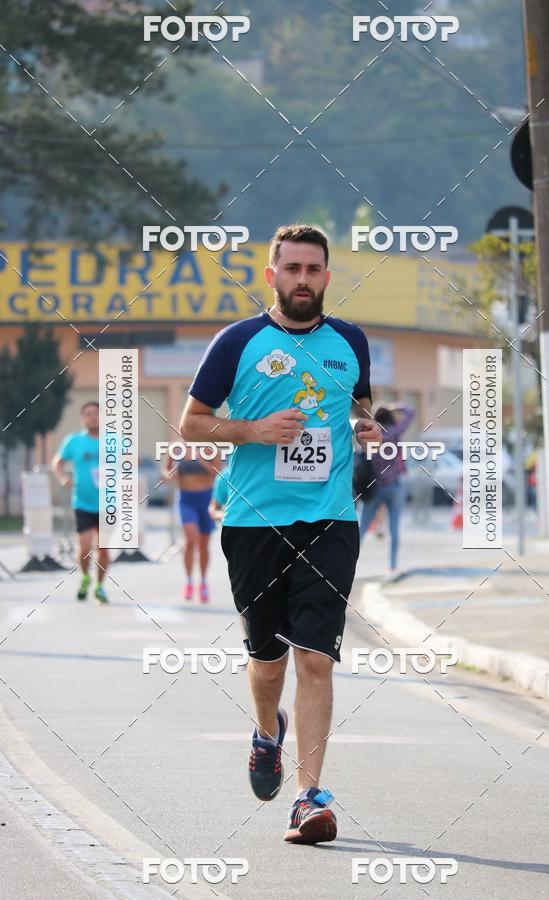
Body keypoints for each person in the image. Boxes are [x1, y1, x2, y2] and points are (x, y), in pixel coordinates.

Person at [180, 224, 380, 845]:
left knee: (315, 658)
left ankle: (309, 796)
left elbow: (361, 406)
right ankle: (268, 732)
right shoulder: (237, 342)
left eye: (313, 269)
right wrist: (252, 430)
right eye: (290, 269)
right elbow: (191, 426)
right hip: (252, 522)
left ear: (326, 276)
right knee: (267, 664)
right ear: (271, 276)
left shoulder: (350, 341)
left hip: (329, 521)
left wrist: (366, 426)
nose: (302, 279)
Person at [51, 400, 109, 603]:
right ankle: (85, 577)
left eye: (96, 413)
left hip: (107, 504)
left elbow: (131, 460)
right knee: (85, 549)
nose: (93, 416)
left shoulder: (113, 439)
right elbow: (57, 462)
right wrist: (62, 477)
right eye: (88, 413)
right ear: (83, 418)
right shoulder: (73, 441)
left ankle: (100, 586)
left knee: (103, 549)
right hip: (82, 502)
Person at [358, 403, 415, 575]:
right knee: (394, 529)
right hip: (395, 486)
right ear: (390, 417)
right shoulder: (395, 432)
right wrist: (395, 406)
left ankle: (348, 561)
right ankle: (392, 565)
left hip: (375, 488)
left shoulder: (373, 436)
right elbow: (411, 412)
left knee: (362, 528)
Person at [161, 446, 220, 602]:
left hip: (206, 498)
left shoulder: (210, 448)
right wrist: (170, 475)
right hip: (186, 500)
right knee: (190, 539)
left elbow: (218, 473)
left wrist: (200, 459)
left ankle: (203, 582)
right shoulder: (176, 449)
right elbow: (166, 472)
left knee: (203, 545)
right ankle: (188, 582)